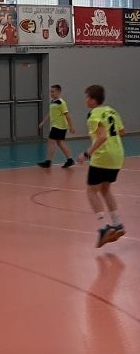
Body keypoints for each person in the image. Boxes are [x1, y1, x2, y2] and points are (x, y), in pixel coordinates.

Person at [77, 85, 126, 248]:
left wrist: (87, 153)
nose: (86, 100)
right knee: (105, 189)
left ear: (93, 99)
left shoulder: (94, 114)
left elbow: (102, 136)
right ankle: (117, 224)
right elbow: (122, 131)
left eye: (87, 97)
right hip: (117, 155)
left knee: (91, 191)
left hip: (102, 156)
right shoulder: (112, 111)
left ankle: (104, 227)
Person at [38, 84, 76, 168]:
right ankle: (70, 160)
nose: (51, 93)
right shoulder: (53, 102)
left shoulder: (61, 103)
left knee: (51, 141)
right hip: (56, 126)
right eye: (50, 92)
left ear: (58, 92)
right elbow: (50, 113)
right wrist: (43, 122)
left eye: (53, 92)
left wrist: (71, 126)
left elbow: (67, 115)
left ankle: (48, 162)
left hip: (59, 126)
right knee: (60, 143)